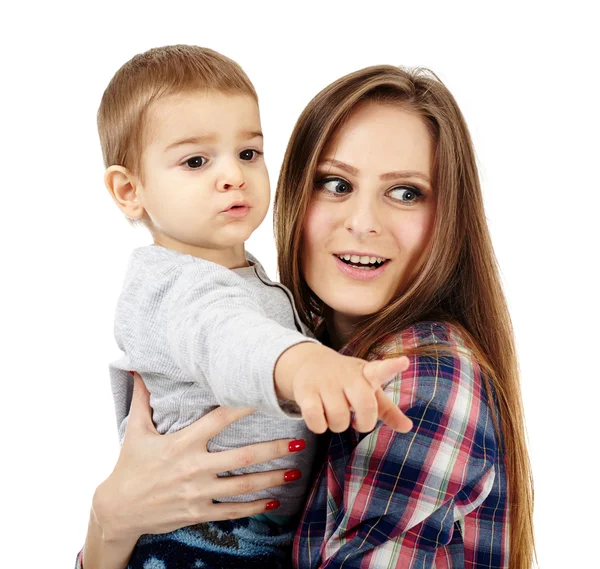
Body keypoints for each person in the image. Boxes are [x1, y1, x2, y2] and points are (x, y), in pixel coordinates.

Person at [78, 64, 535, 569]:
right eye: (336, 183)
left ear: (449, 214)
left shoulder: (423, 379)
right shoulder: (192, 293)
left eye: (405, 192)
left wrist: (111, 526)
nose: (362, 223)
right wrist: (112, 519)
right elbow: (224, 334)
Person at [96, 45, 413, 569]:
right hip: (192, 547)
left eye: (248, 153)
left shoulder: (247, 278)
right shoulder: (168, 287)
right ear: (130, 190)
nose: (233, 176)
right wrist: (306, 364)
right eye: (196, 161)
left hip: (256, 545)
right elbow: (225, 339)